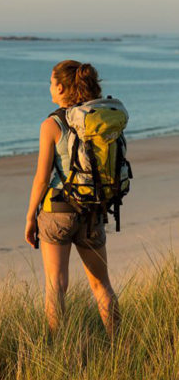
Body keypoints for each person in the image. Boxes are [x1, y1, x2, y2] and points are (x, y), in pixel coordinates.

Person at [25, 60, 121, 338]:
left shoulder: (51, 124)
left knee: (56, 286)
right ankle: (119, 346)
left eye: (51, 82)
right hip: (92, 208)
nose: (49, 88)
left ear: (62, 86)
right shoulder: (100, 119)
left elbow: (42, 178)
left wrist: (30, 217)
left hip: (57, 211)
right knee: (102, 285)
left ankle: (60, 350)